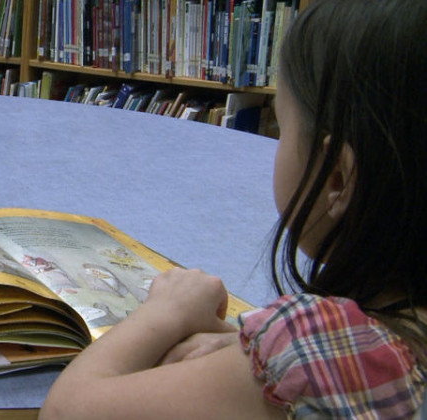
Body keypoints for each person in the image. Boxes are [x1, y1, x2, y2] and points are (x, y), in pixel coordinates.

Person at [39, 0, 426, 418]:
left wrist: (165, 313)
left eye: (282, 128)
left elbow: (66, 411)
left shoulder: (312, 350)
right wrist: (245, 349)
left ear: (336, 179)